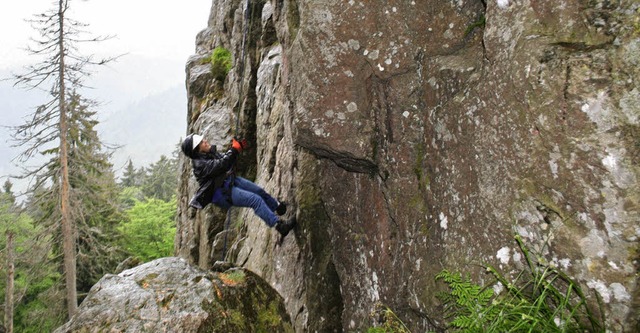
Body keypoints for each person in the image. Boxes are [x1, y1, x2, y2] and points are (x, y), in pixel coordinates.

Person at [181, 133, 296, 237]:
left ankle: (278, 207)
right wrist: (234, 150)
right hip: (223, 193)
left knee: (259, 191)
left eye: (203, 140)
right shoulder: (199, 165)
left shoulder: (209, 153)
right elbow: (222, 165)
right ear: (196, 150)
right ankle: (280, 226)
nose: (205, 141)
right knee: (255, 200)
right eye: (201, 142)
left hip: (229, 181)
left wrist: (237, 148)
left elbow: (225, 160)